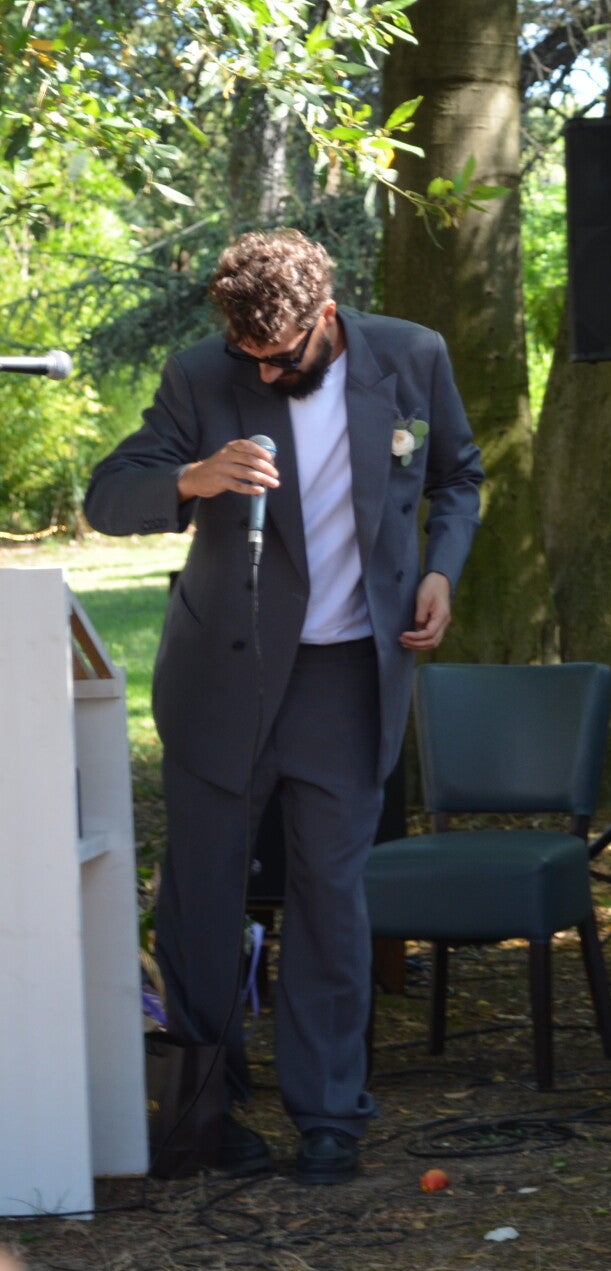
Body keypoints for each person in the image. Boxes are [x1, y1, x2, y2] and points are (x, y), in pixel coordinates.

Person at [85, 229, 484, 1184]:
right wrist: (191, 478)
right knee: (203, 895)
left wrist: (439, 570)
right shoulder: (200, 375)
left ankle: (330, 1112)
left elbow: (458, 477)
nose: (264, 370)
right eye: (249, 355)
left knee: (329, 896)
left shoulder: (413, 355)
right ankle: (204, 1105)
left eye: (281, 355)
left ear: (327, 317)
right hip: (221, 679)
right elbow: (108, 495)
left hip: (348, 678)